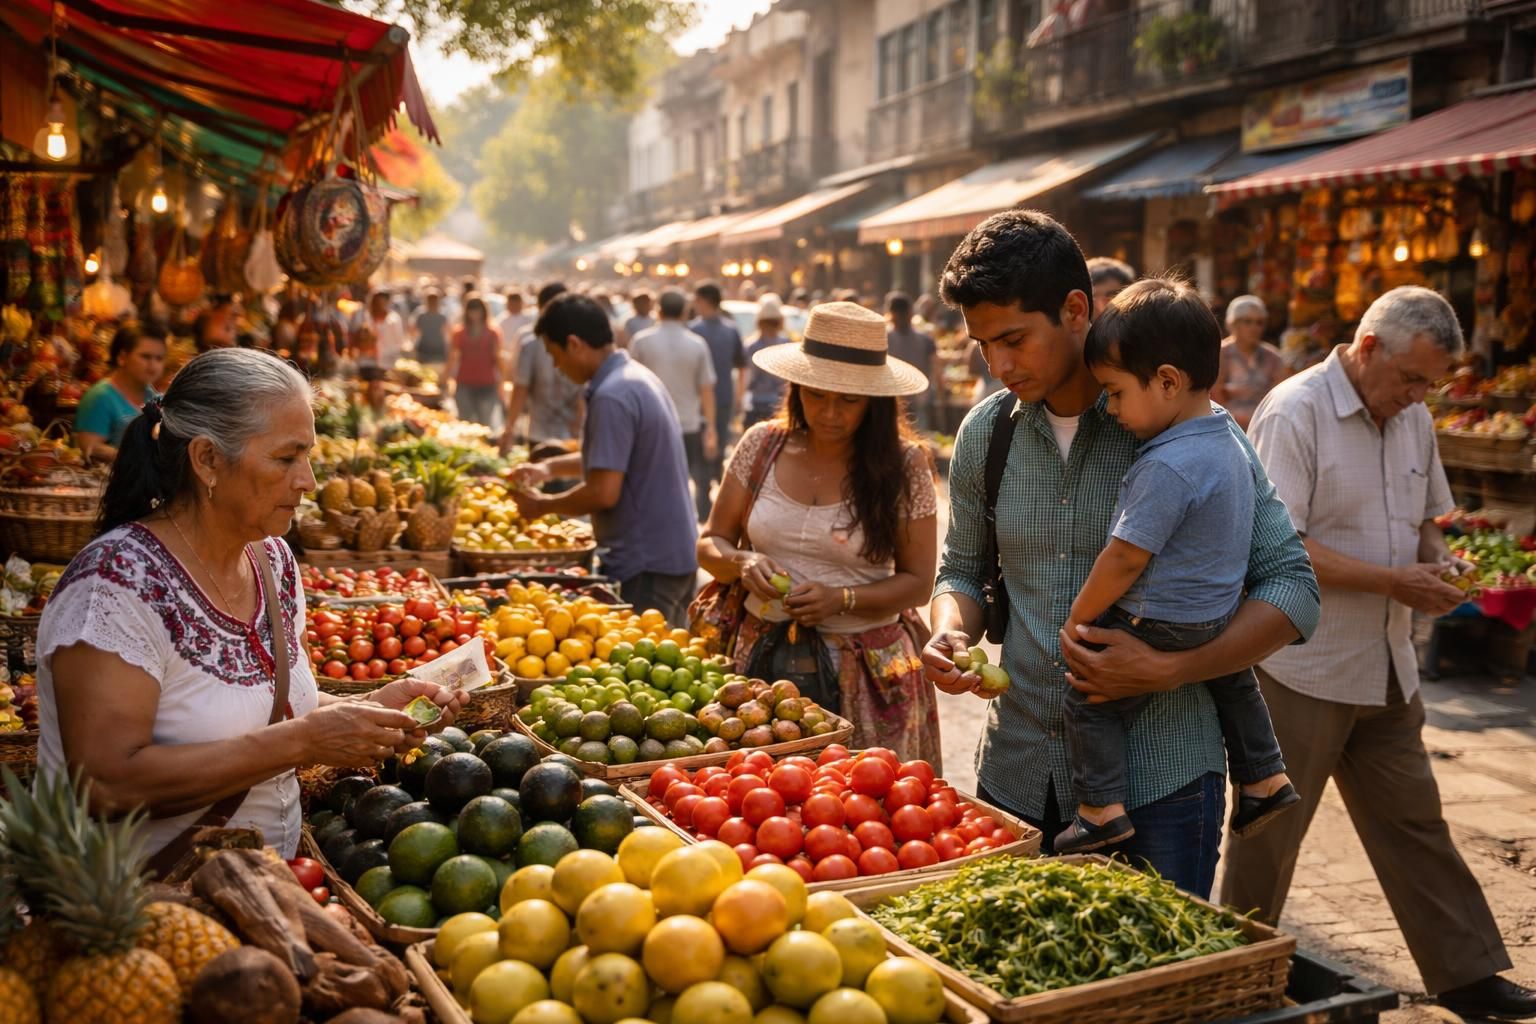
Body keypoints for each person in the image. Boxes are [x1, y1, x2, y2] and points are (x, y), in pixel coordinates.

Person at [920, 210, 1318, 897]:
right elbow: (962, 571)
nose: (1000, 365)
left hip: (1160, 782)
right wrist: (948, 629)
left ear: (1076, 309)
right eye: (984, 346)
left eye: (1014, 338)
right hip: (1016, 773)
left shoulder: (1182, 428)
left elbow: (1292, 587)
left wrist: (1171, 667)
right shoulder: (988, 434)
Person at [1222, 286, 1536, 1021]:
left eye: (1429, 383)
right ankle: (1232, 975)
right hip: (1303, 663)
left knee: (1415, 822)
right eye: (1411, 379)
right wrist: (1395, 578)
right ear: (1368, 350)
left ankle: (1465, 974)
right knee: (1267, 837)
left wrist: (1442, 562)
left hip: (1389, 660)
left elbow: (1428, 522)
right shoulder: (1295, 411)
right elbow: (1279, 545)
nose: (1419, 395)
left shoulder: (1416, 417)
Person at [36, 349, 466, 864]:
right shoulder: (113, 588)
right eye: (286, 458)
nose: (307, 480)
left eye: (307, 455)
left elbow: (271, 709)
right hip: (142, 906)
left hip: (263, 892)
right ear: (207, 460)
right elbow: (106, 786)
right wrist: (303, 743)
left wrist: (375, 708)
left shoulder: (272, 560)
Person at [1055, 279, 1297, 854]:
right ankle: (1265, 777)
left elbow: (1125, 557)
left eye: (1114, 393)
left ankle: (1100, 810)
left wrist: (1079, 620)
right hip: (1218, 615)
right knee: (1234, 682)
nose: (1109, 409)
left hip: (1159, 620)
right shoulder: (1228, 442)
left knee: (1088, 700)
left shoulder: (1165, 463)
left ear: (1166, 381)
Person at [698, 301, 940, 763]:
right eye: (816, 394)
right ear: (796, 388)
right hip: (762, 672)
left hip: (869, 675)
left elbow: (918, 582)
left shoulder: (906, 466)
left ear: (874, 401)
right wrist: (742, 563)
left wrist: (841, 598)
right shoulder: (762, 445)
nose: (830, 412)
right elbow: (711, 542)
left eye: (848, 400)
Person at [510, 294, 699, 625]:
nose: (557, 366)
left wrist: (541, 506)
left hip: (647, 565)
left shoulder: (612, 395)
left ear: (574, 344)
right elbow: (609, 458)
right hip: (671, 557)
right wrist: (548, 468)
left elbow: (602, 491)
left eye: (555, 356)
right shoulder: (634, 377)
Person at [631, 290, 719, 521]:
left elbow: (629, 385)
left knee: (651, 483)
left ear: (658, 311)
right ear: (684, 313)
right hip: (688, 424)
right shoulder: (697, 344)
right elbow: (707, 390)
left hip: (648, 426)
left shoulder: (642, 341)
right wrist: (710, 427)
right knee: (682, 482)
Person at [502, 283, 585, 448]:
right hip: (562, 433)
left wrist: (510, 427)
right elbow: (520, 387)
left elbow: (520, 388)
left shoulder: (530, 341)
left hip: (552, 432)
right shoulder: (579, 341)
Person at [75, 324, 168, 462]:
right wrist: (138, 460)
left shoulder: (153, 396)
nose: (153, 365)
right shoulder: (100, 397)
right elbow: (90, 448)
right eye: (145, 357)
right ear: (122, 357)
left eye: (159, 359)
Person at [690, 281, 746, 481]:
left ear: (704, 301)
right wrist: (739, 396)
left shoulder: (693, 330)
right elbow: (742, 367)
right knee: (720, 447)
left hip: (697, 401)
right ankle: (718, 491)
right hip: (723, 397)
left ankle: (704, 500)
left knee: (699, 454)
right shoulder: (731, 330)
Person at [1212, 295, 1287, 430]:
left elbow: (1279, 397)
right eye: (1247, 321)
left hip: (1265, 426)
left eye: (1259, 323)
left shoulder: (1273, 357)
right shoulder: (1219, 353)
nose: (1254, 328)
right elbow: (1214, 396)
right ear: (1232, 323)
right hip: (1226, 428)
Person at [885, 291, 943, 431]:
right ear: (911, 312)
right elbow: (937, 370)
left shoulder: (883, 339)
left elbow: (937, 370)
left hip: (896, 399)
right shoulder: (925, 340)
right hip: (915, 398)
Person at [447, 297, 504, 428]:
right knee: (464, 423)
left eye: (477, 310)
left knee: (485, 425)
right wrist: (445, 377)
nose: (475, 314)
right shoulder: (459, 333)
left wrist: (502, 381)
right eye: (472, 310)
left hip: (487, 384)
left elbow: (498, 358)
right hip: (464, 383)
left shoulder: (493, 333)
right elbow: (453, 357)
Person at [741, 294, 792, 430]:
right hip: (778, 405)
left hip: (756, 402)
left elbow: (746, 379)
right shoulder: (786, 344)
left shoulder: (751, 346)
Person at [364, 290, 408, 370]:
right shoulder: (366, 318)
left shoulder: (394, 319)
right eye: (376, 302)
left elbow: (399, 341)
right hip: (368, 363)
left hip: (389, 363)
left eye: (381, 302)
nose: (378, 305)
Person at [411, 288, 449, 366]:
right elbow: (413, 330)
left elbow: (447, 333)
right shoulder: (420, 315)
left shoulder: (443, 315)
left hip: (438, 351)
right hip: (424, 350)